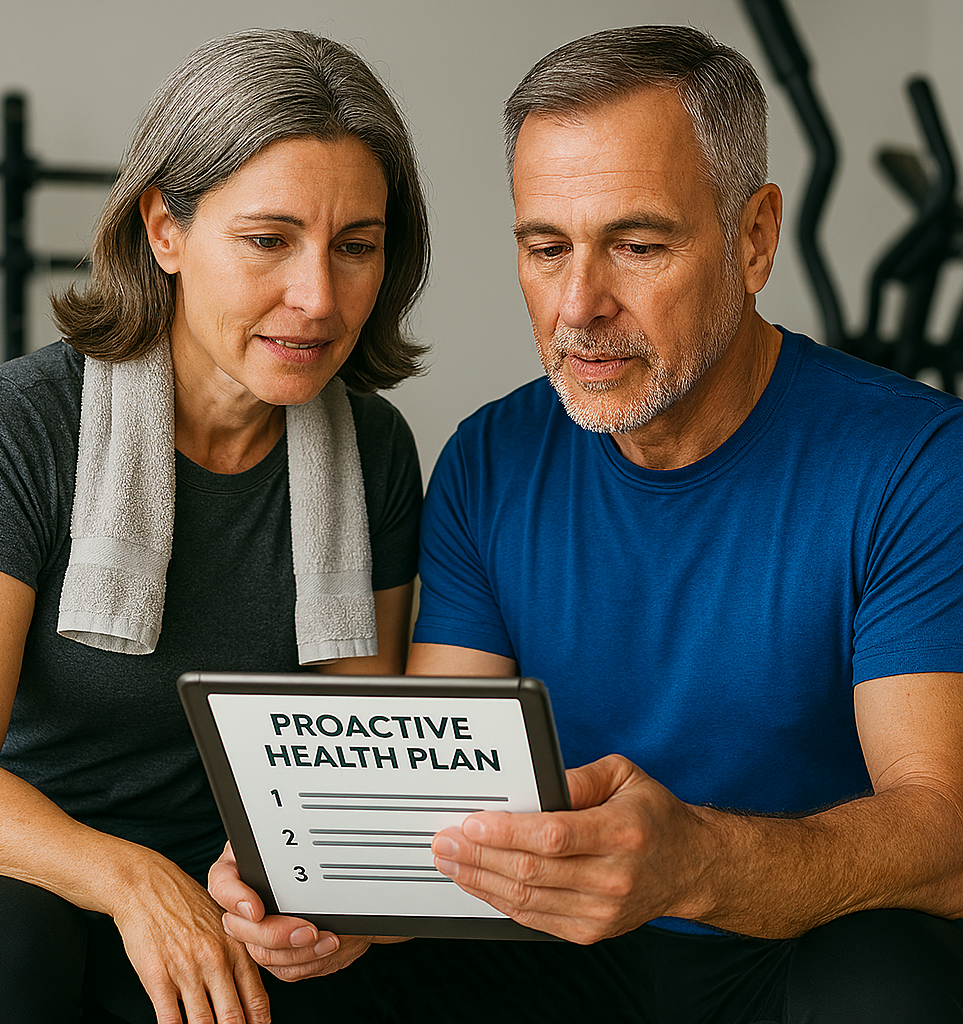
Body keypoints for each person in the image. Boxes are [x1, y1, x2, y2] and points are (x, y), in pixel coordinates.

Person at [209, 25, 963, 1023]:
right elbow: (437, 801)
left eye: (637, 245)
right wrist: (331, 893)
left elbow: (943, 829)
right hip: (564, 950)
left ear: (753, 238)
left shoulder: (916, 460)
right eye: (545, 247)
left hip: (798, 947)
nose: (578, 304)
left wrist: (697, 863)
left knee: (892, 977)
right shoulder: (489, 461)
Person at [0, 28, 429, 1024]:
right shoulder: (18, 424)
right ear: (164, 229)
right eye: (268, 239)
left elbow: (349, 757)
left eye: (356, 246)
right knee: (12, 950)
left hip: (226, 874)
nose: (318, 298)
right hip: (15, 857)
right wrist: (130, 880)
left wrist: (297, 901)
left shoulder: (372, 451)